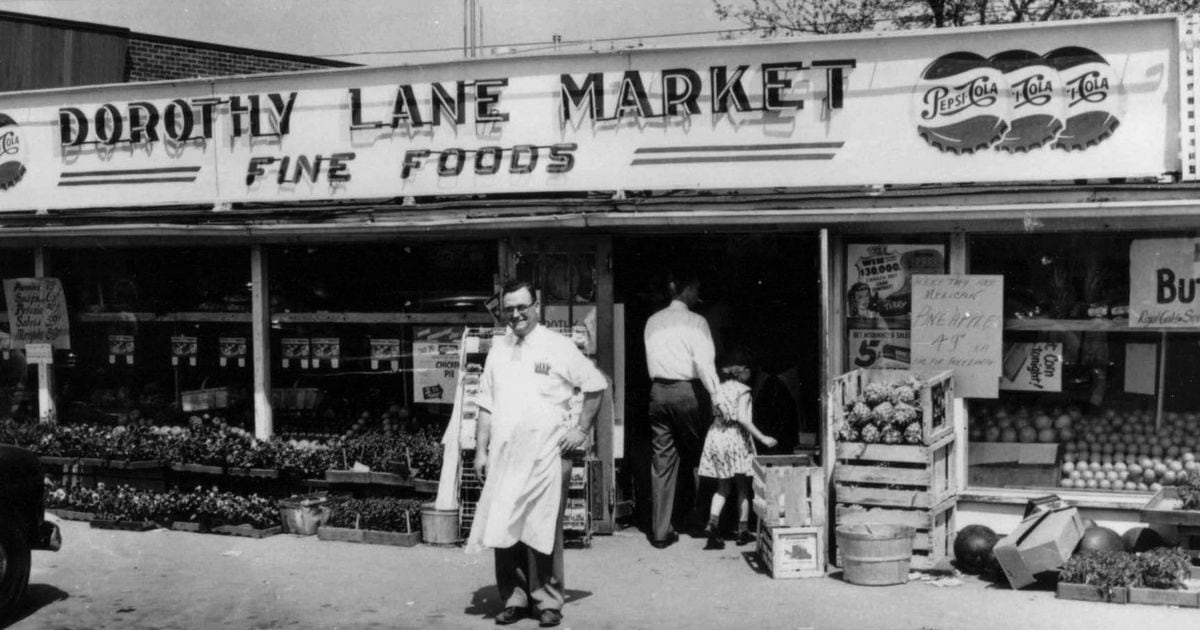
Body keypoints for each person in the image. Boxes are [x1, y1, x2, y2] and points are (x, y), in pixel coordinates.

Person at [466, 279, 608, 628]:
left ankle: (547, 601)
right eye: (509, 308)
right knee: (505, 526)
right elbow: (486, 402)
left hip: (547, 455)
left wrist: (581, 429)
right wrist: (480, 450)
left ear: (536, 306)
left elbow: (595, 385)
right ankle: (514, 598)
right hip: (505, 457)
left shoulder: (557, 346)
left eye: (522, 307)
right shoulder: (499, 349)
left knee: (544, 528)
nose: (515, 314)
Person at [643, 270, 729, 548]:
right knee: (701, 454)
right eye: (695, 288)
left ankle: (660, 531)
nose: (697, 294)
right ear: (685, 289)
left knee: (663, 461)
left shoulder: (653, 321)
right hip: (688, 392)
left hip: (658, 392)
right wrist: (719, 397)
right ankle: (702, 518)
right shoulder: (696, 321)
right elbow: (704, 364)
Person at [698, 350, 778, 550]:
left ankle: (712, 522)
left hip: (717, 436)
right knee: (743, 486)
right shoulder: (743, 390)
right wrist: (762, 438)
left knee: (722, 487)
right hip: (735, 438)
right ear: (742, 370)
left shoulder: (717, 390)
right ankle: (743, 530)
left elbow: (716, 413)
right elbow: (743, 418)